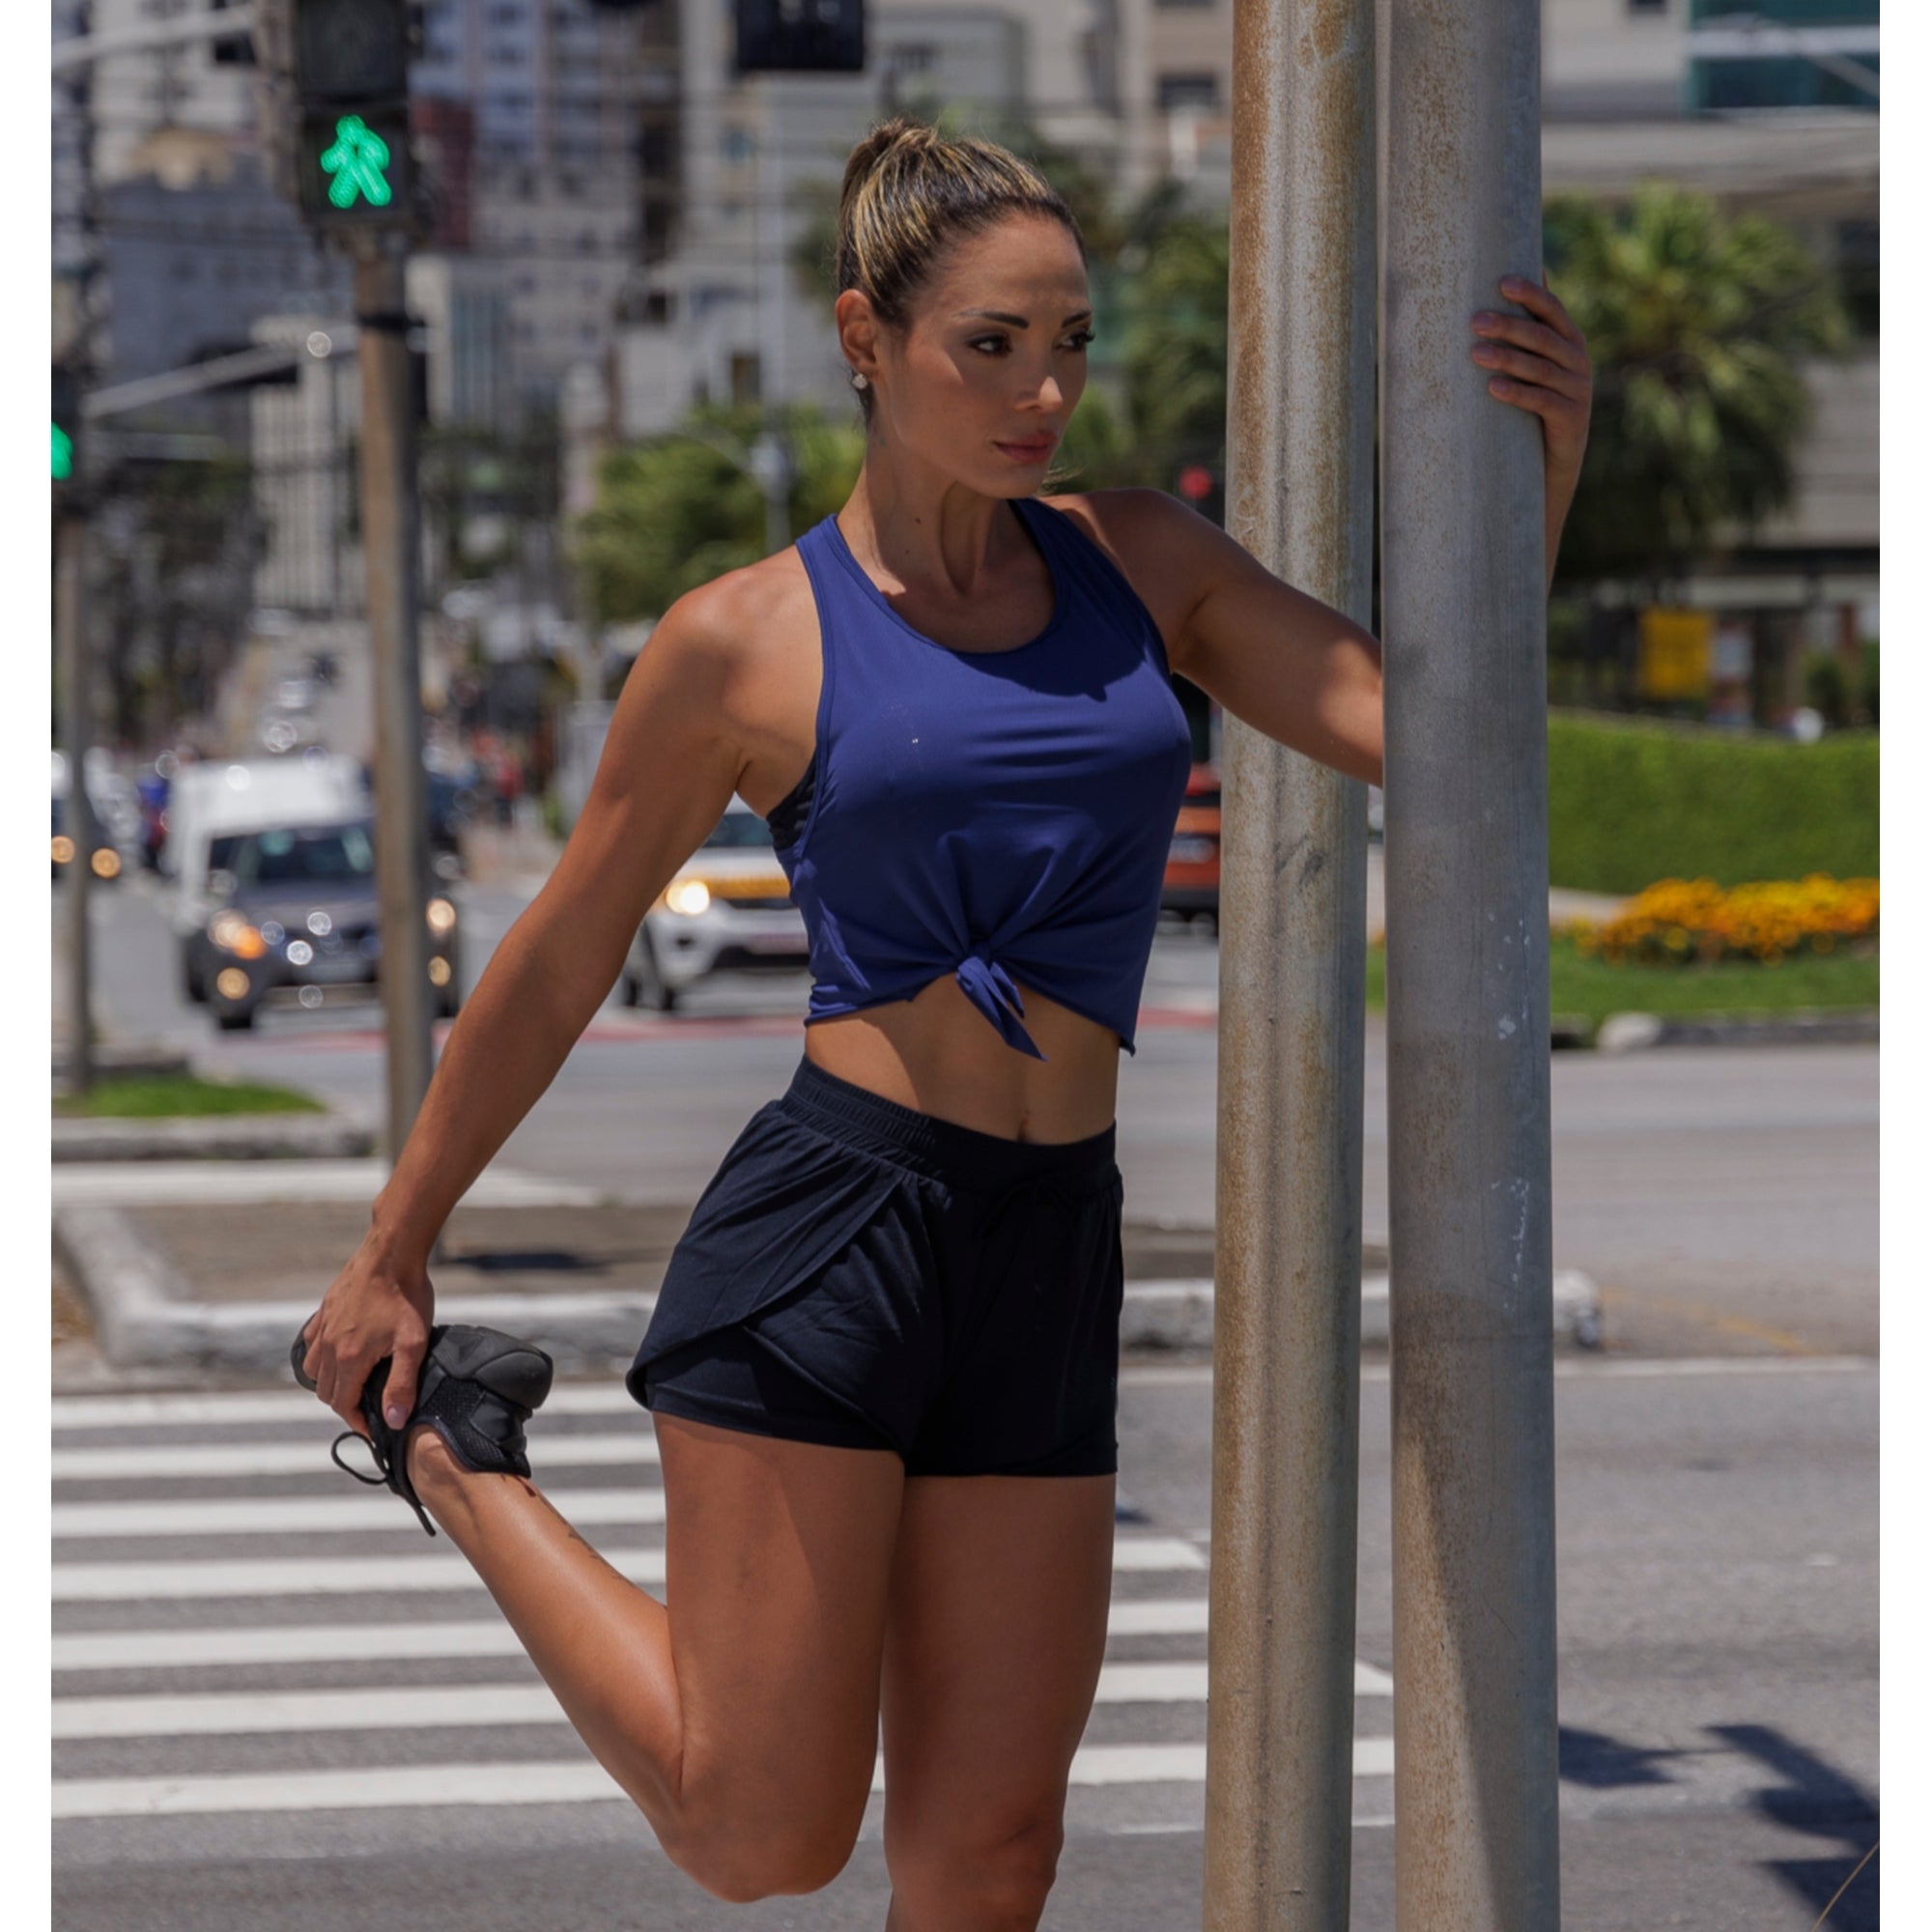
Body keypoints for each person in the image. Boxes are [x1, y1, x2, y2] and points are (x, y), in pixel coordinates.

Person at [294, 117, 1593, 1922]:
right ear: (864, 338)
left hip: (1050, 1241)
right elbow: (561, 950)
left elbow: (1431, 735)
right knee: (765, 1833)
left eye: (1068, 343)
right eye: (992, 344)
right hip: (837, 1231)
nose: (1042, 389)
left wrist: (1546, 469)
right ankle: (461, 1459)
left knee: (990, 1855)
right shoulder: (741, 642)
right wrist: (392, 1248)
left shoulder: (1141, 565)